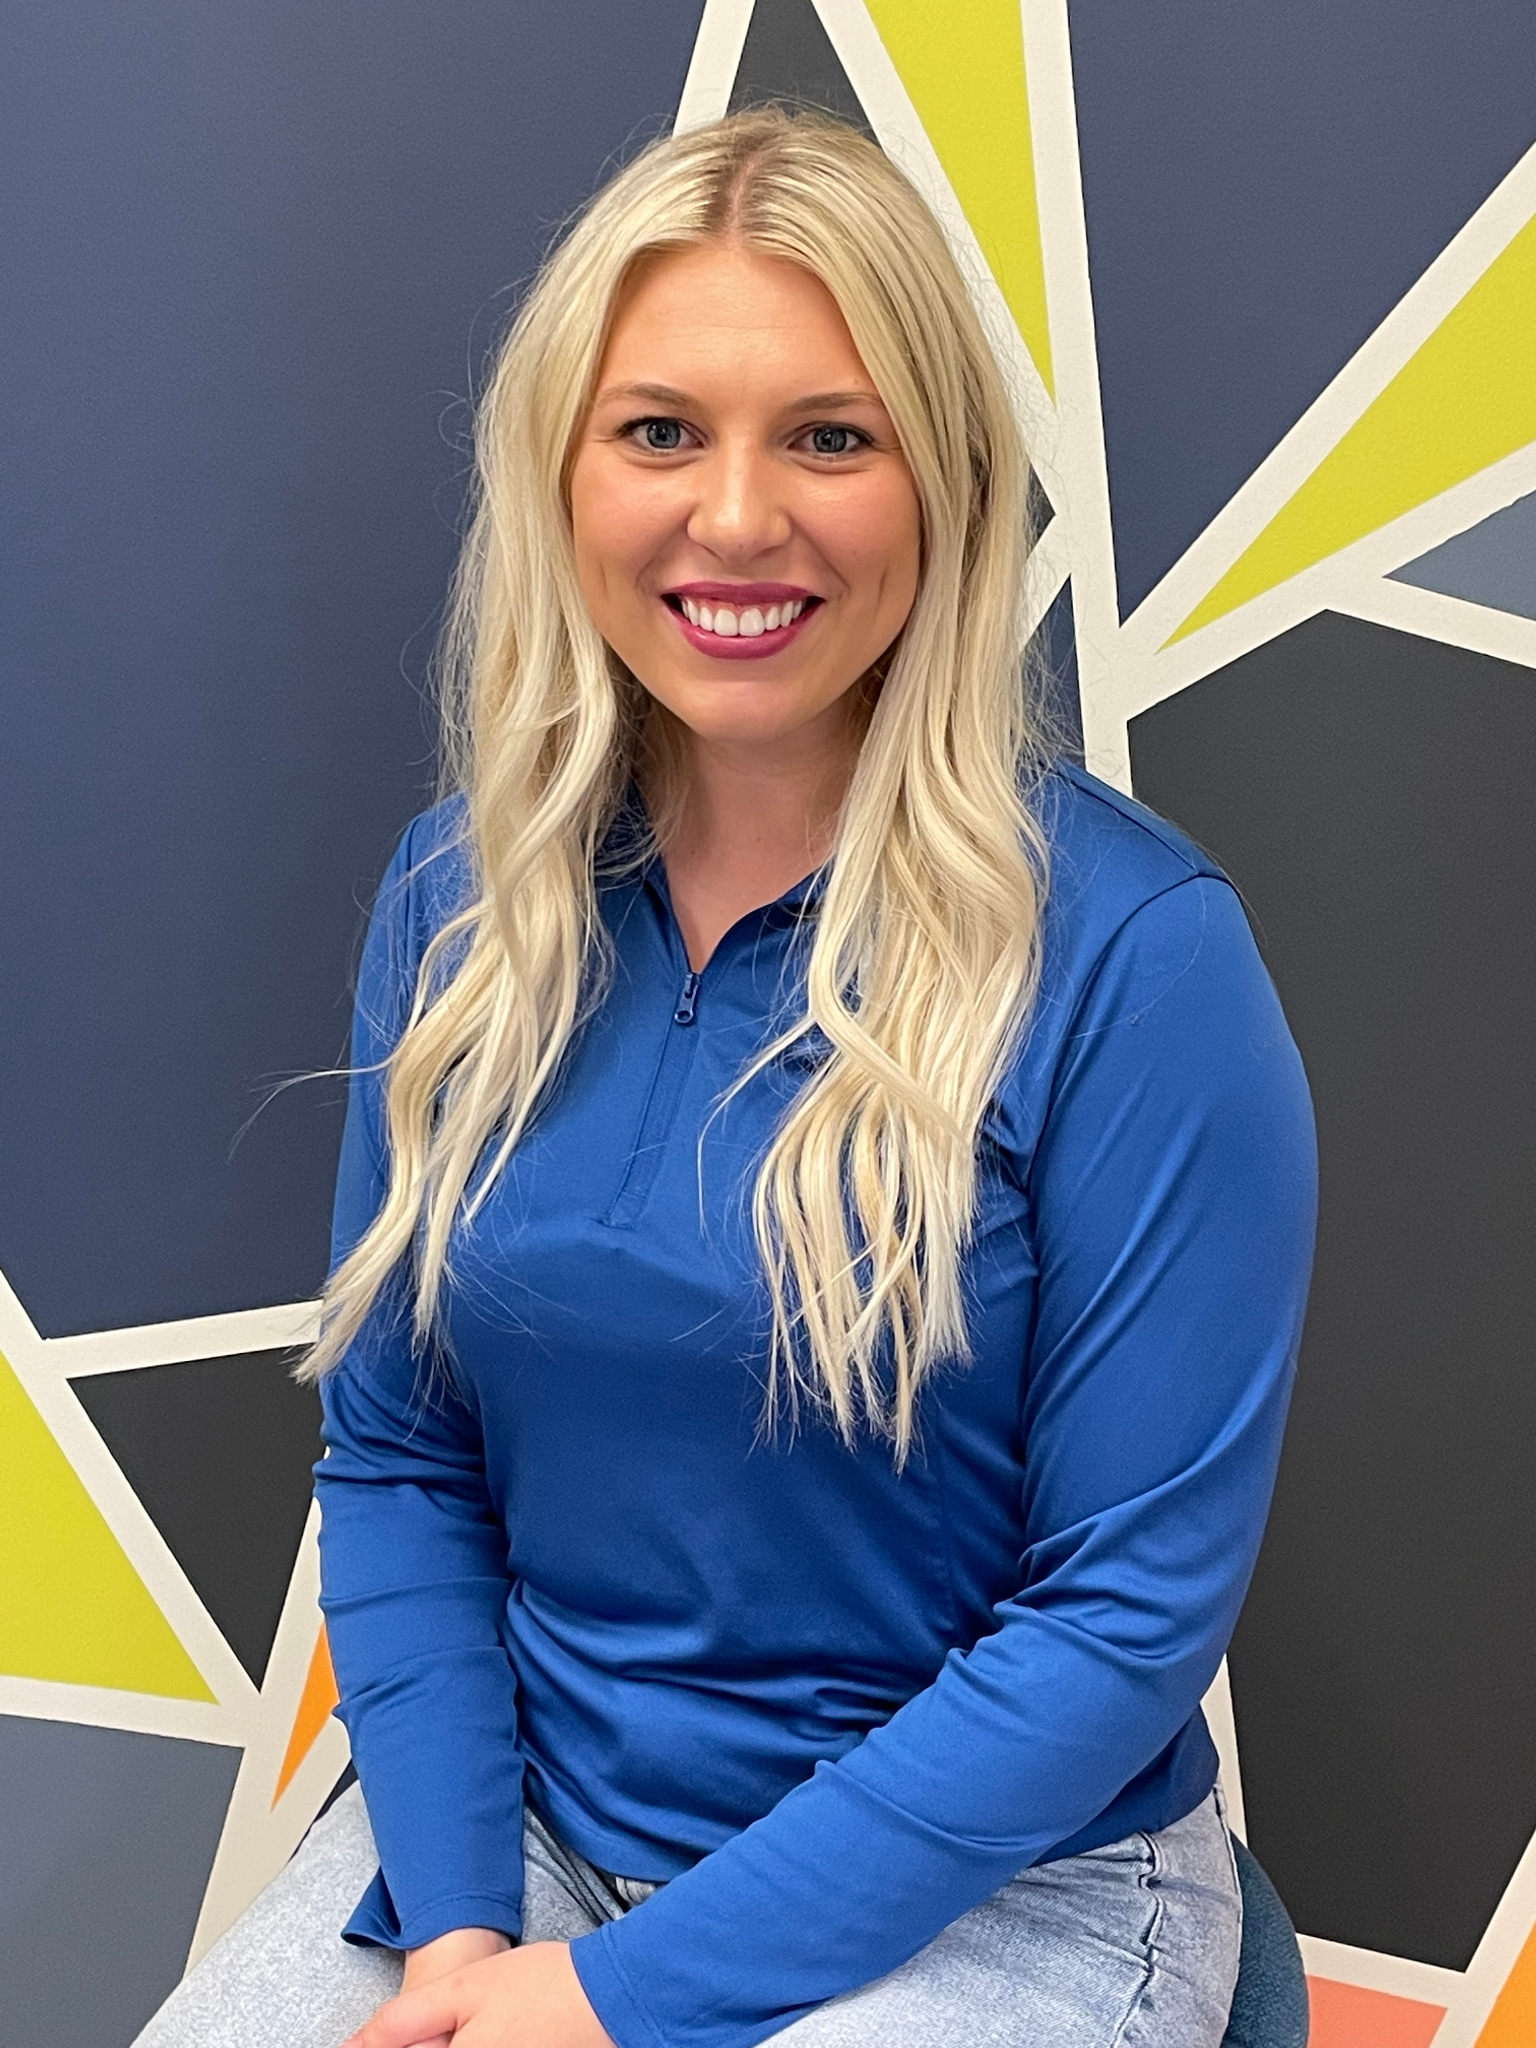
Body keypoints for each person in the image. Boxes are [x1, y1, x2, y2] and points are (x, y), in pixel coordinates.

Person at [136, 108, 1317, 2048]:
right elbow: (402, 1458)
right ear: (565, 474)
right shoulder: (464, 901)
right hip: (525, 1849)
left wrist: (620, 2001)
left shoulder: (1137, 960)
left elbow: (1114, 1625)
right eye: (662, 430)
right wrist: (456, 1943)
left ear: (936, 485)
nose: (739, 516)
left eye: (828, 437)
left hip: (1005, 1900)